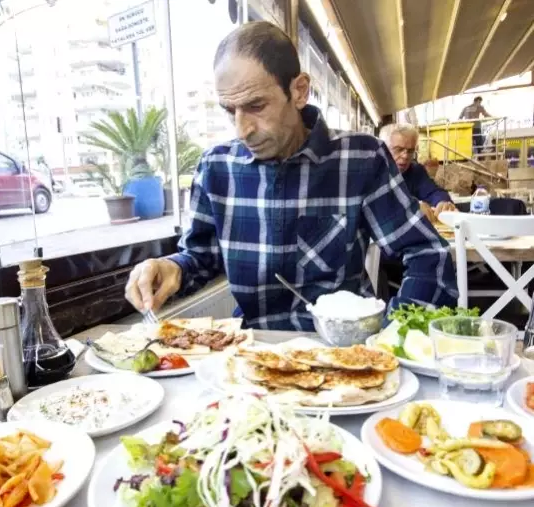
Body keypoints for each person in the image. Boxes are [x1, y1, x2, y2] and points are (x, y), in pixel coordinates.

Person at [125, 21, 457, 331]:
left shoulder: (361, 158)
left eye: (256, 106)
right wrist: (174, 268)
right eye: (230, 110)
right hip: (254, 357)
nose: (242, 130)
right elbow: (201, 257)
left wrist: (395, 334)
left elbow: (428, 255)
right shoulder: (216, 168)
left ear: (299, 91)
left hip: (342, 353)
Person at [379, 123, 456, 221]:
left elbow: (433, 192)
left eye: (410, 151)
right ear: (383, 149)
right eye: (399, 149)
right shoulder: (372, 173)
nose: (405, 156)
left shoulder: (415, 171)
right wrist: (413, 206)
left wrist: (442, 202)